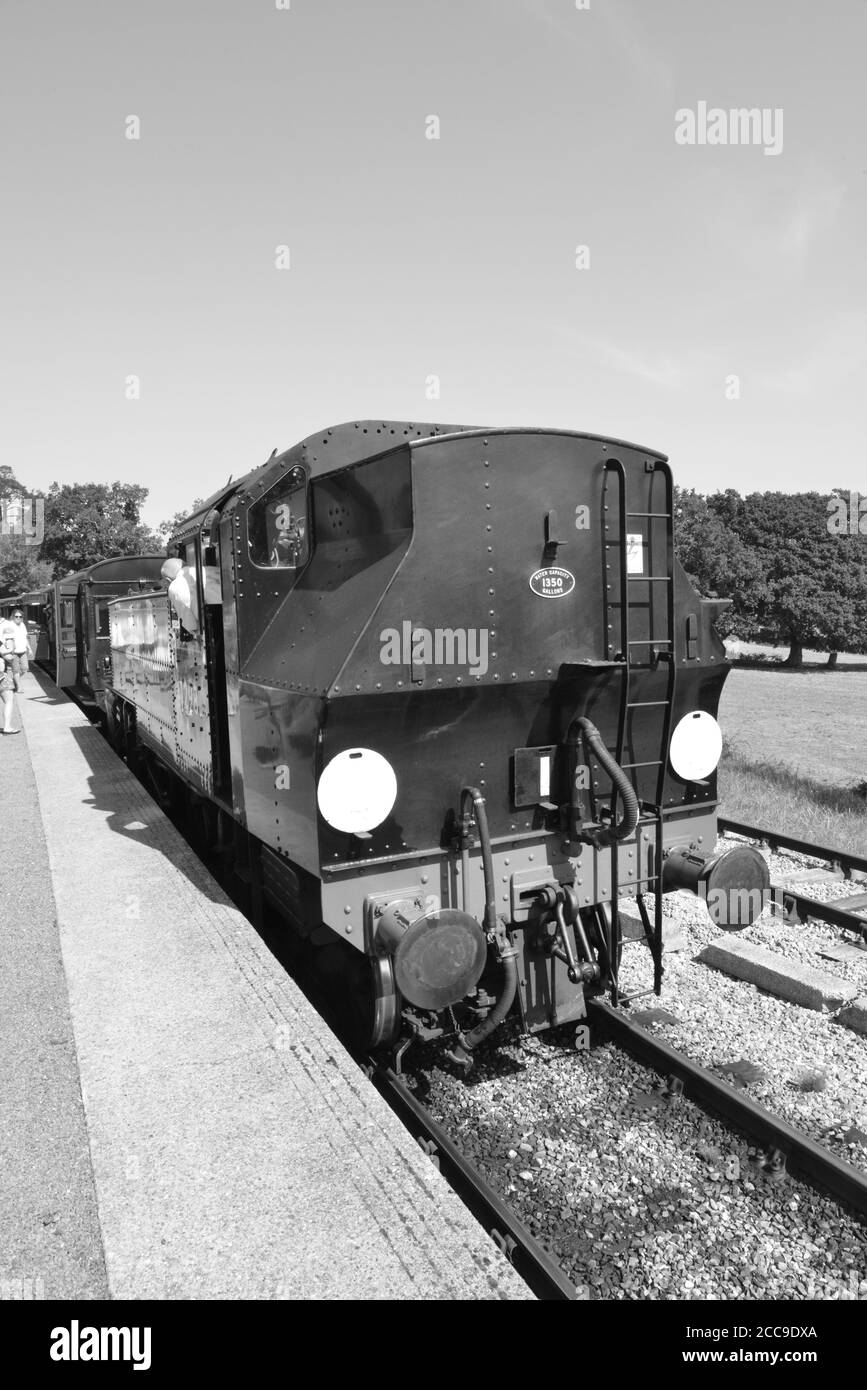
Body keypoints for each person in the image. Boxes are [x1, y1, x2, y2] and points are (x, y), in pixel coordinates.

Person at [8, 608, 33, 692]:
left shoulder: (22, 625)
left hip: (23, 651)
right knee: (16, 670)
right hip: (14, 652)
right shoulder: (10, 625)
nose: (18, 618)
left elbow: (25, 638)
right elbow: (8, 639)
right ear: (12, 617)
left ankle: (15, 680)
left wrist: (29, 648)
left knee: (24, 668)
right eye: (16, 616)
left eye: (20, 616)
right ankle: (19, 687)